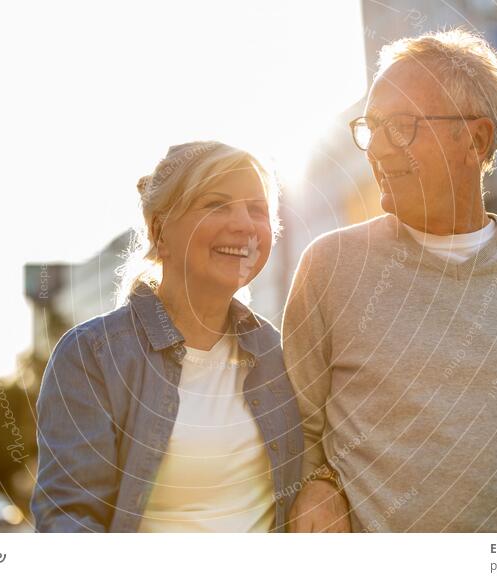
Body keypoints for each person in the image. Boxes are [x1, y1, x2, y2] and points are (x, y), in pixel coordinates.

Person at [282, 29, 497, 533]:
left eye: (400, 127)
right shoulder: (329, 266)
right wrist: (317, 484)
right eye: (370, 127)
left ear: (476, 138)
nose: (376, 148)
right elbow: (296, 432)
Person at [31, 141, 303, 532]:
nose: (244, 224)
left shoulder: (282, 353)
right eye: (216, 204)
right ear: (160, 231)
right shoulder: (91, 356)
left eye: (257, 209)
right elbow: (68, 520)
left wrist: (324, 485)